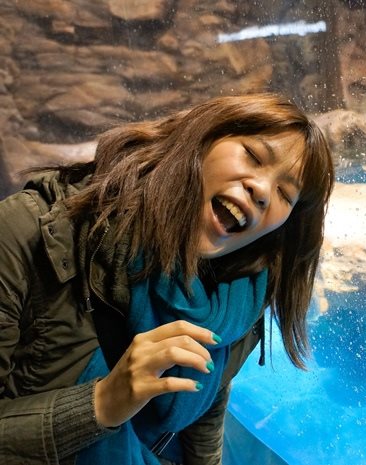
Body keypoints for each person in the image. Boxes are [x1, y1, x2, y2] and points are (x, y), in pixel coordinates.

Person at [0, 93, 335, 465]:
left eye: (285, 194)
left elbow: (208, 397)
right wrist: (103, 403)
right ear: (201, 139)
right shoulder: (26, 232)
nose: (261, 190)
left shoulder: (242, 296)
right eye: (253, 156)